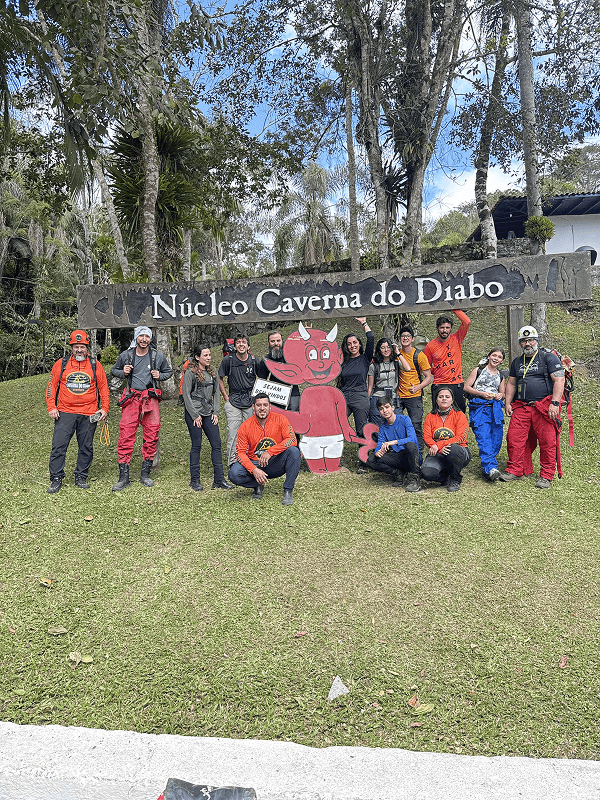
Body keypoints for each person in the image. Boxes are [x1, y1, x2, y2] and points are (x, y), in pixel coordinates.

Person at [45, 330, 109, 493]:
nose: (79, 350)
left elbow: (103, 387)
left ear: (87, 348)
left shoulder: (95, 364)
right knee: (59, 446)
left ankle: (81, 476)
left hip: (89, 412)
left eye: (82, 347)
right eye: (76, 347)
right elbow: (51, 386)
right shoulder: (61, 364)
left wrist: (105, 408)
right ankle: (56, 478)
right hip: (65, 412)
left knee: (86, 447)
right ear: (71, 347)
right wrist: (51, 406)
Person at [502, 326, 565, 489]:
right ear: (520, 344)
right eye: (523, 341)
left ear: (536, 341)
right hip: (522, 407)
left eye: (530, 340)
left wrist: (555, 403)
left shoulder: (548, 358)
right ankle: (515, 470)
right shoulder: (517, 362)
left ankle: (546, 475)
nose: (527, 343)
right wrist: (508, 403)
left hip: (544, 407)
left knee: (548, 442)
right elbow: (511, 383)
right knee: (514, 438)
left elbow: (559, 380)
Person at [111, 325, 173, 490]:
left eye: (147, 336)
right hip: (131, 398)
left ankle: (145, 474)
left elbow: (168, 372)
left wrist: (160, 376)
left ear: (150, 339)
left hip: (150, 398)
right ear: (136, 337)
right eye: (141, 336)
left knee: (152, 434)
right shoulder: (126, 355)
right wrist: (123, 372)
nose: (144, 339)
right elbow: (114, 370)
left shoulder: (157, 356)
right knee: (126, 435)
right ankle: (123, 477)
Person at [228, 393, 301, 505]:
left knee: (294, 451)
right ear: (253, 407)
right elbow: (240, 453)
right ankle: (257, 484)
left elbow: (292, 440)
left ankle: (288, 490)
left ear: (269, 406)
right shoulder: (245, 426)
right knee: (234, 473)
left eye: (265, 405)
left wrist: (270, 452)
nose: (262, 408)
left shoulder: (280, 419)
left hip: (275, 462)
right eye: (259, 405)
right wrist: (254, 470)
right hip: (256, 463)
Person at [181, 344, 232, 492]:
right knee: (197, 445)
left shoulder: (213, 371)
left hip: (209, 412)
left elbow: (216, 393)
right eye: (205, 355)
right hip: (194, 413)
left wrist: (216, 412)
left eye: (209, 355)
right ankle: (194, 481)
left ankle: (219, 480)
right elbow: (186, 395)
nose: (209, 358)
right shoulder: (190, 372)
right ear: (197, 357)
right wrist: (195, 415)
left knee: (217, 443)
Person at [464, 348, 507, 482]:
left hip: (495, 410)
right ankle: (491, 467)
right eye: (494, 355)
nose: (496, 358)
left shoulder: (500, 375)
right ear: (489, 356)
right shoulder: (478, 370)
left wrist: (500, 395)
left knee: (496, 438)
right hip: (479, 408)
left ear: (502, 361)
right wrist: (481, 394)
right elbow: (467, 387)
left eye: (499, 357)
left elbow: (503, 393)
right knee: (484, 437)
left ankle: (488, 467)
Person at [218, 333, 259, 468]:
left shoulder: (254, 360)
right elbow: (220, 378)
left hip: (250, 400)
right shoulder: (228, 360)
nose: (241, 344)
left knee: (252, 432)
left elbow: (263, 379)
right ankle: (233, 462)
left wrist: (256, 399)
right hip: (233, 400)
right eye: (238, 342)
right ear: (235, 346)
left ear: (248, 346)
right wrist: (225, 396)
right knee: (233, 432)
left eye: (244, 342)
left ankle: (251, 460)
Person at [365, 397, 421, 492]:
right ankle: (398, 474)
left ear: (393, 407)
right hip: (397, 457)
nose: (385, 411)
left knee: (410, 445)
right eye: (381, 409)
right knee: (371, 460)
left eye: (387, 407)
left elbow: (412, 439)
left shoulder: (405, 419)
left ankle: (414, 479)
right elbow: (379, 445)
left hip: (411, 456)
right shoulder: (382, 428)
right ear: (379, 412)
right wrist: (378, 452)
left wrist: (395, 442)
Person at [421, 387, 471, 492]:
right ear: (436, 400)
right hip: (438, 453)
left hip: (458, 452)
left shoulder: (460, 415)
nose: (444, 399)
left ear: (452, 400)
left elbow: (460, 438)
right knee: (427, 473)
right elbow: (426, 437)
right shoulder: (430, 417)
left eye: (447, 397)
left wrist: (439, 445)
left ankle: (455, 479)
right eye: (441, 397)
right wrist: (439, 449)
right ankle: (445, 477)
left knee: (453, 449)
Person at [424, 310, 470, 413]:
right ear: (437, 329)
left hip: (457, 383)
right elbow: (427, 367)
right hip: (439, 383)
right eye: (442, 327)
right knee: (439, 414)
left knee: (460, 414)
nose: (445, 330)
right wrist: (438, 371)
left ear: (451, 329)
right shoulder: (430, 346)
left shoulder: (457, 338)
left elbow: (467, 322)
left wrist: (454, 308)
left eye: (447, 327)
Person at [396, 325, 433, 453]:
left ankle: (419, 453)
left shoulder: (419, 355)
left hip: (414, 396)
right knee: (398, 425)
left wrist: (418, 387)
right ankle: (401, 451)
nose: (405, 338)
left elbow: (428, 377)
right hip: (398, 396)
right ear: (399, 339)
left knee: (415, 425)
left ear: (412, 339)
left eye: (408, 336)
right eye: (403, 336)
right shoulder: (397, 354)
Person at [256, 330, 301, 412]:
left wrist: (304, 337)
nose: (276, 343)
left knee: (294, 418)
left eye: (278, 340)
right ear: (268, 343)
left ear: (282, 341)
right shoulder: (265, 360)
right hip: (275, 397)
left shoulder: (291, 356)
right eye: (272, 341)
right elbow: (262, 382)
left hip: (292, 394)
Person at [367, 338, 407, 426]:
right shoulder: (374, 366)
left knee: (397, 424)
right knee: (377, 425)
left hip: (393, 398)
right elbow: (370, 387)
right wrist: (367, 404)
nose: (386, 350)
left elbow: (407, 368)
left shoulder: (396, 363)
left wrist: (398, 352)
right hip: (378, 398)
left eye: (388, 347)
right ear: (379, 349)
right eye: (383, 347)